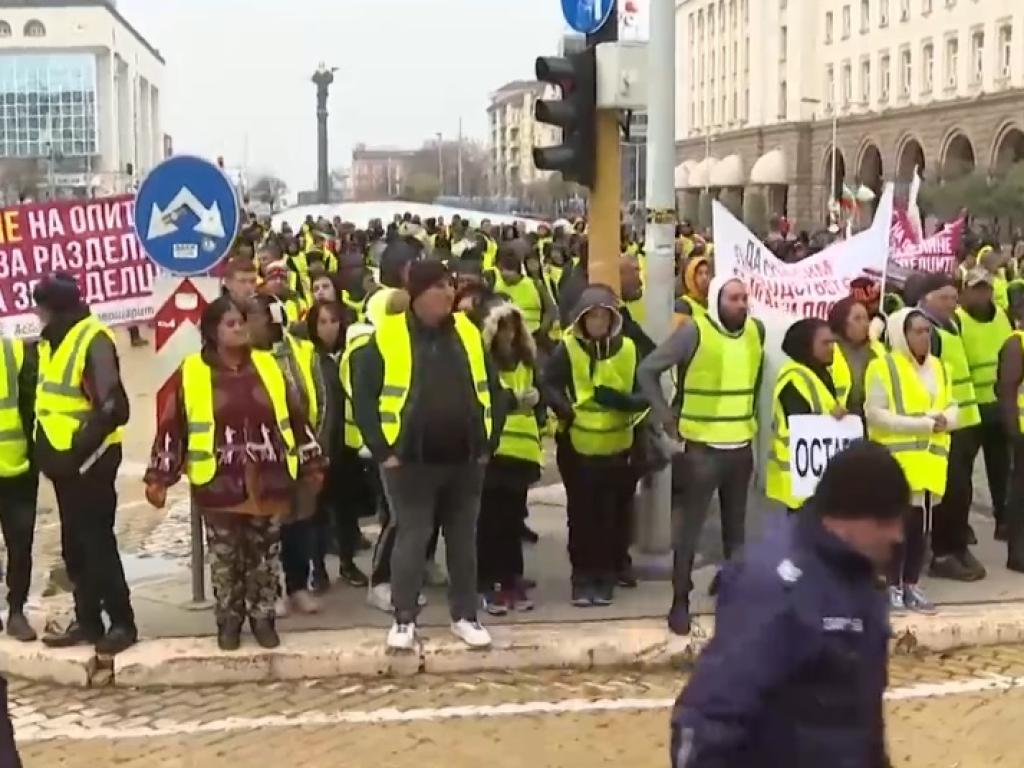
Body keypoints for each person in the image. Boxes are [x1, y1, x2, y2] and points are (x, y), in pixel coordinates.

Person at [669, 441, 905, 768]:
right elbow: (708, 718)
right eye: (886, 521)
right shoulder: (776, 586)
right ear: (851, 518)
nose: (897, 535)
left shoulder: (862, 579)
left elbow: (861, 719)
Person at [145, 297, 323, 650]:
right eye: (230, 323)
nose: (240, 327)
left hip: (270, 478)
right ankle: (229, 621)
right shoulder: (193, 371)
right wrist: (159, 477)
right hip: (219, 482)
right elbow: (172, 426)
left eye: (241, 321)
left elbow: (296, 416)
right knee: (225, 560)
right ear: (212, 332)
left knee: (265, 558)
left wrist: (311, 463)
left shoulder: (270, 366)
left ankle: (263, 618)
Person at [352, 260, 512, 650]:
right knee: (413, 536)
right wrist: (382, 450)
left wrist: (488, 443)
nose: (447, 293)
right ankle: (404, 619)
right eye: (438, 287)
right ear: (418, 294)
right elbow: (364, 397)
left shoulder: (468, 332)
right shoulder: (387, 335)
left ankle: (465, 616)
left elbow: (492, 388)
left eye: (449, 286)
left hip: (465, 458)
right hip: (409, 461)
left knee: (462, 540)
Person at [637, 276, 765, 636]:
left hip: (741, 447)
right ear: (717, 300)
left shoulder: (755, 332)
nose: (742, 304)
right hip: (702, 450)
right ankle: (680, 601)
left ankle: (736, 601)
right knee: (689, 531)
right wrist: (665, 416)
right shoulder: (695, 332)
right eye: (734, 298)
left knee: (736, 533)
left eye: (745, 298)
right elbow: (647, 369)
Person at [33, 273, 135, 654]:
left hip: (91, 462)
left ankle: (123, 623)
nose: (37, 315)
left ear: (56, 309)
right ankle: (88, 620)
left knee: (97, 544)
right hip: (65, 466)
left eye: (41, 308)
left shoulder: (92, 339)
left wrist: (76, 450)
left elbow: (114, 407)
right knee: (74, 546)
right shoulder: (53, 342)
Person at [543, 285, 648, 607]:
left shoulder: (629, 348)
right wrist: (566, 410)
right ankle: (582, 577)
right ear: (583, 320)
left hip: (619, 447)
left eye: (604, 317)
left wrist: (628, 402)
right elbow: (548, 383)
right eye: (593, 318)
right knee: (582, 516)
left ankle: (605, 576)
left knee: (611, 517)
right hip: (578, 448)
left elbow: (645, 392)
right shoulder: (568, 349)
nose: (598, 323)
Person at [866, 308, 955, 613]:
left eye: (927, 331)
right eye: (917, 331)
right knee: (897, 529)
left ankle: (912, 584)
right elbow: (876, 415)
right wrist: (924, 423)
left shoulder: (939, 367)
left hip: (930, 462)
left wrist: (946, 419)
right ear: (901, 335)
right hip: (897, 463)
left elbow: (951, 404)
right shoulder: (882, 367)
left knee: (921, 529)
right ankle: (891, 585)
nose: (924, 337)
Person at [247, 295, 324, 616]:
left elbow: (320, 396)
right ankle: (272, 589)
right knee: (268, 527)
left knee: (299, 523)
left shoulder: (303, 351)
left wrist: (315, 442)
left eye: (262, 319)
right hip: (264, 457)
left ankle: (297, 586)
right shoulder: (244, 360)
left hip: (302, 449)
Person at [916, 273, 986, 581]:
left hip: (964, 421)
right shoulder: (927, 329)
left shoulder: (952, 324)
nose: (952, 304)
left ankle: (956, 545)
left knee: (962, 490)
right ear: (928, 297)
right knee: (949, 491)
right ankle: (943, 552)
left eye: (954, 298)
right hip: (944, 424)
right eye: (945, 298)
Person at [477, 298, 544, 614]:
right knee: (490, 520)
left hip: (521, 450)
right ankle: (487, 581)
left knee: (513, 519)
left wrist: (537, 400)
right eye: (503, 327)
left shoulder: (528, 361)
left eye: (514, 327)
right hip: (493, 449)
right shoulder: (482, 361)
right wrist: (512, 401)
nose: (509, 334)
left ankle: (510, 578)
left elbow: (540, 396)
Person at [304, 300, 368, 591]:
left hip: (348, 444)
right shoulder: (310, 358)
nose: (329, 328)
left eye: (333, 321)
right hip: (321, 444)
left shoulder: (351, 354)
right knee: (316, 512)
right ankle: (317, 569)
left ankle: (347, 563)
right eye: (322, 322)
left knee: (346, 510)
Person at [765, 319, 846, 512]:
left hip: (819, 476)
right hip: (800, 478)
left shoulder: (822, 373)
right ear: (806, 346)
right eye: (825, 343)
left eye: (833, 342)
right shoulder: (794, 379)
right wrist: (833, 419)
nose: (832, 348)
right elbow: (800, 424)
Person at [955, 268, 1012, 541]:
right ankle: (961, 524)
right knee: (962, 472)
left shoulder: (1002, 316)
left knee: (1002, 469)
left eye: (986, 288)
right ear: (965, 290)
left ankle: (1004, 521)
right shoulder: (957, 321)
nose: (982, 293)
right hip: (969, 409)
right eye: (976, 288)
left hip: (999, 406)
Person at [0, 333, 39, 641]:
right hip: (18, 466)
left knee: (20, 544)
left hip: (18, 468)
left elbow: (32, 407)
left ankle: (16, 610)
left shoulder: (15, 352)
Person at [996, 296, 1024, 572]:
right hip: (1023, 433)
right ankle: (1017, 554)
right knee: (1021, 493)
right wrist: (1013, 431)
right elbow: (1007, 389)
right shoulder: (1017, 343)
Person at [828, 297, 886, 416]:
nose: (865, 324)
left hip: (873, 420)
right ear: (841, 322)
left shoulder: (878, 350)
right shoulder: (828, 350)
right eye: (857, 319)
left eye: (866, 318)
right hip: (838, 421)